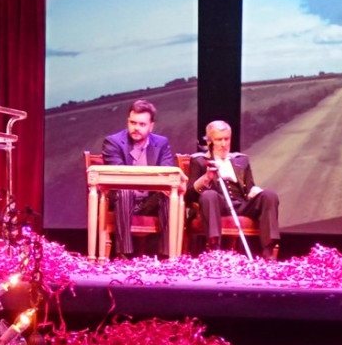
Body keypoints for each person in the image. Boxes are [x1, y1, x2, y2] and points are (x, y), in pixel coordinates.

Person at [186, 120, 280, 260]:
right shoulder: (199, 161)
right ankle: (215, 250)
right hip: (217, 205)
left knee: (269, 195)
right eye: (219, 140)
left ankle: (269, 252)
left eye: (226, 139)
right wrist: (206, 178)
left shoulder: (241, 160)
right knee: (209, 195)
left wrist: (255, 191)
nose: (224, 144)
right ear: (209, 142)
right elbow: (188, 196)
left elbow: (250, 188)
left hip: (241, 205)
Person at [101, 100, 175, 258]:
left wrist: (161, 185)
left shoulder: (161, 143)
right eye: (133, 123)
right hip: (123, 199)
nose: (136, 128)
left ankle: (167, 255)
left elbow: (167, 173)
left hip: (149, 201)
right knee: (125, 190)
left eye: (142, 124)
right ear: (128, 121)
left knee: (168, 195)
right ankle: (124, 254)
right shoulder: (113, 142)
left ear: (151, 126)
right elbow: (120, 175)